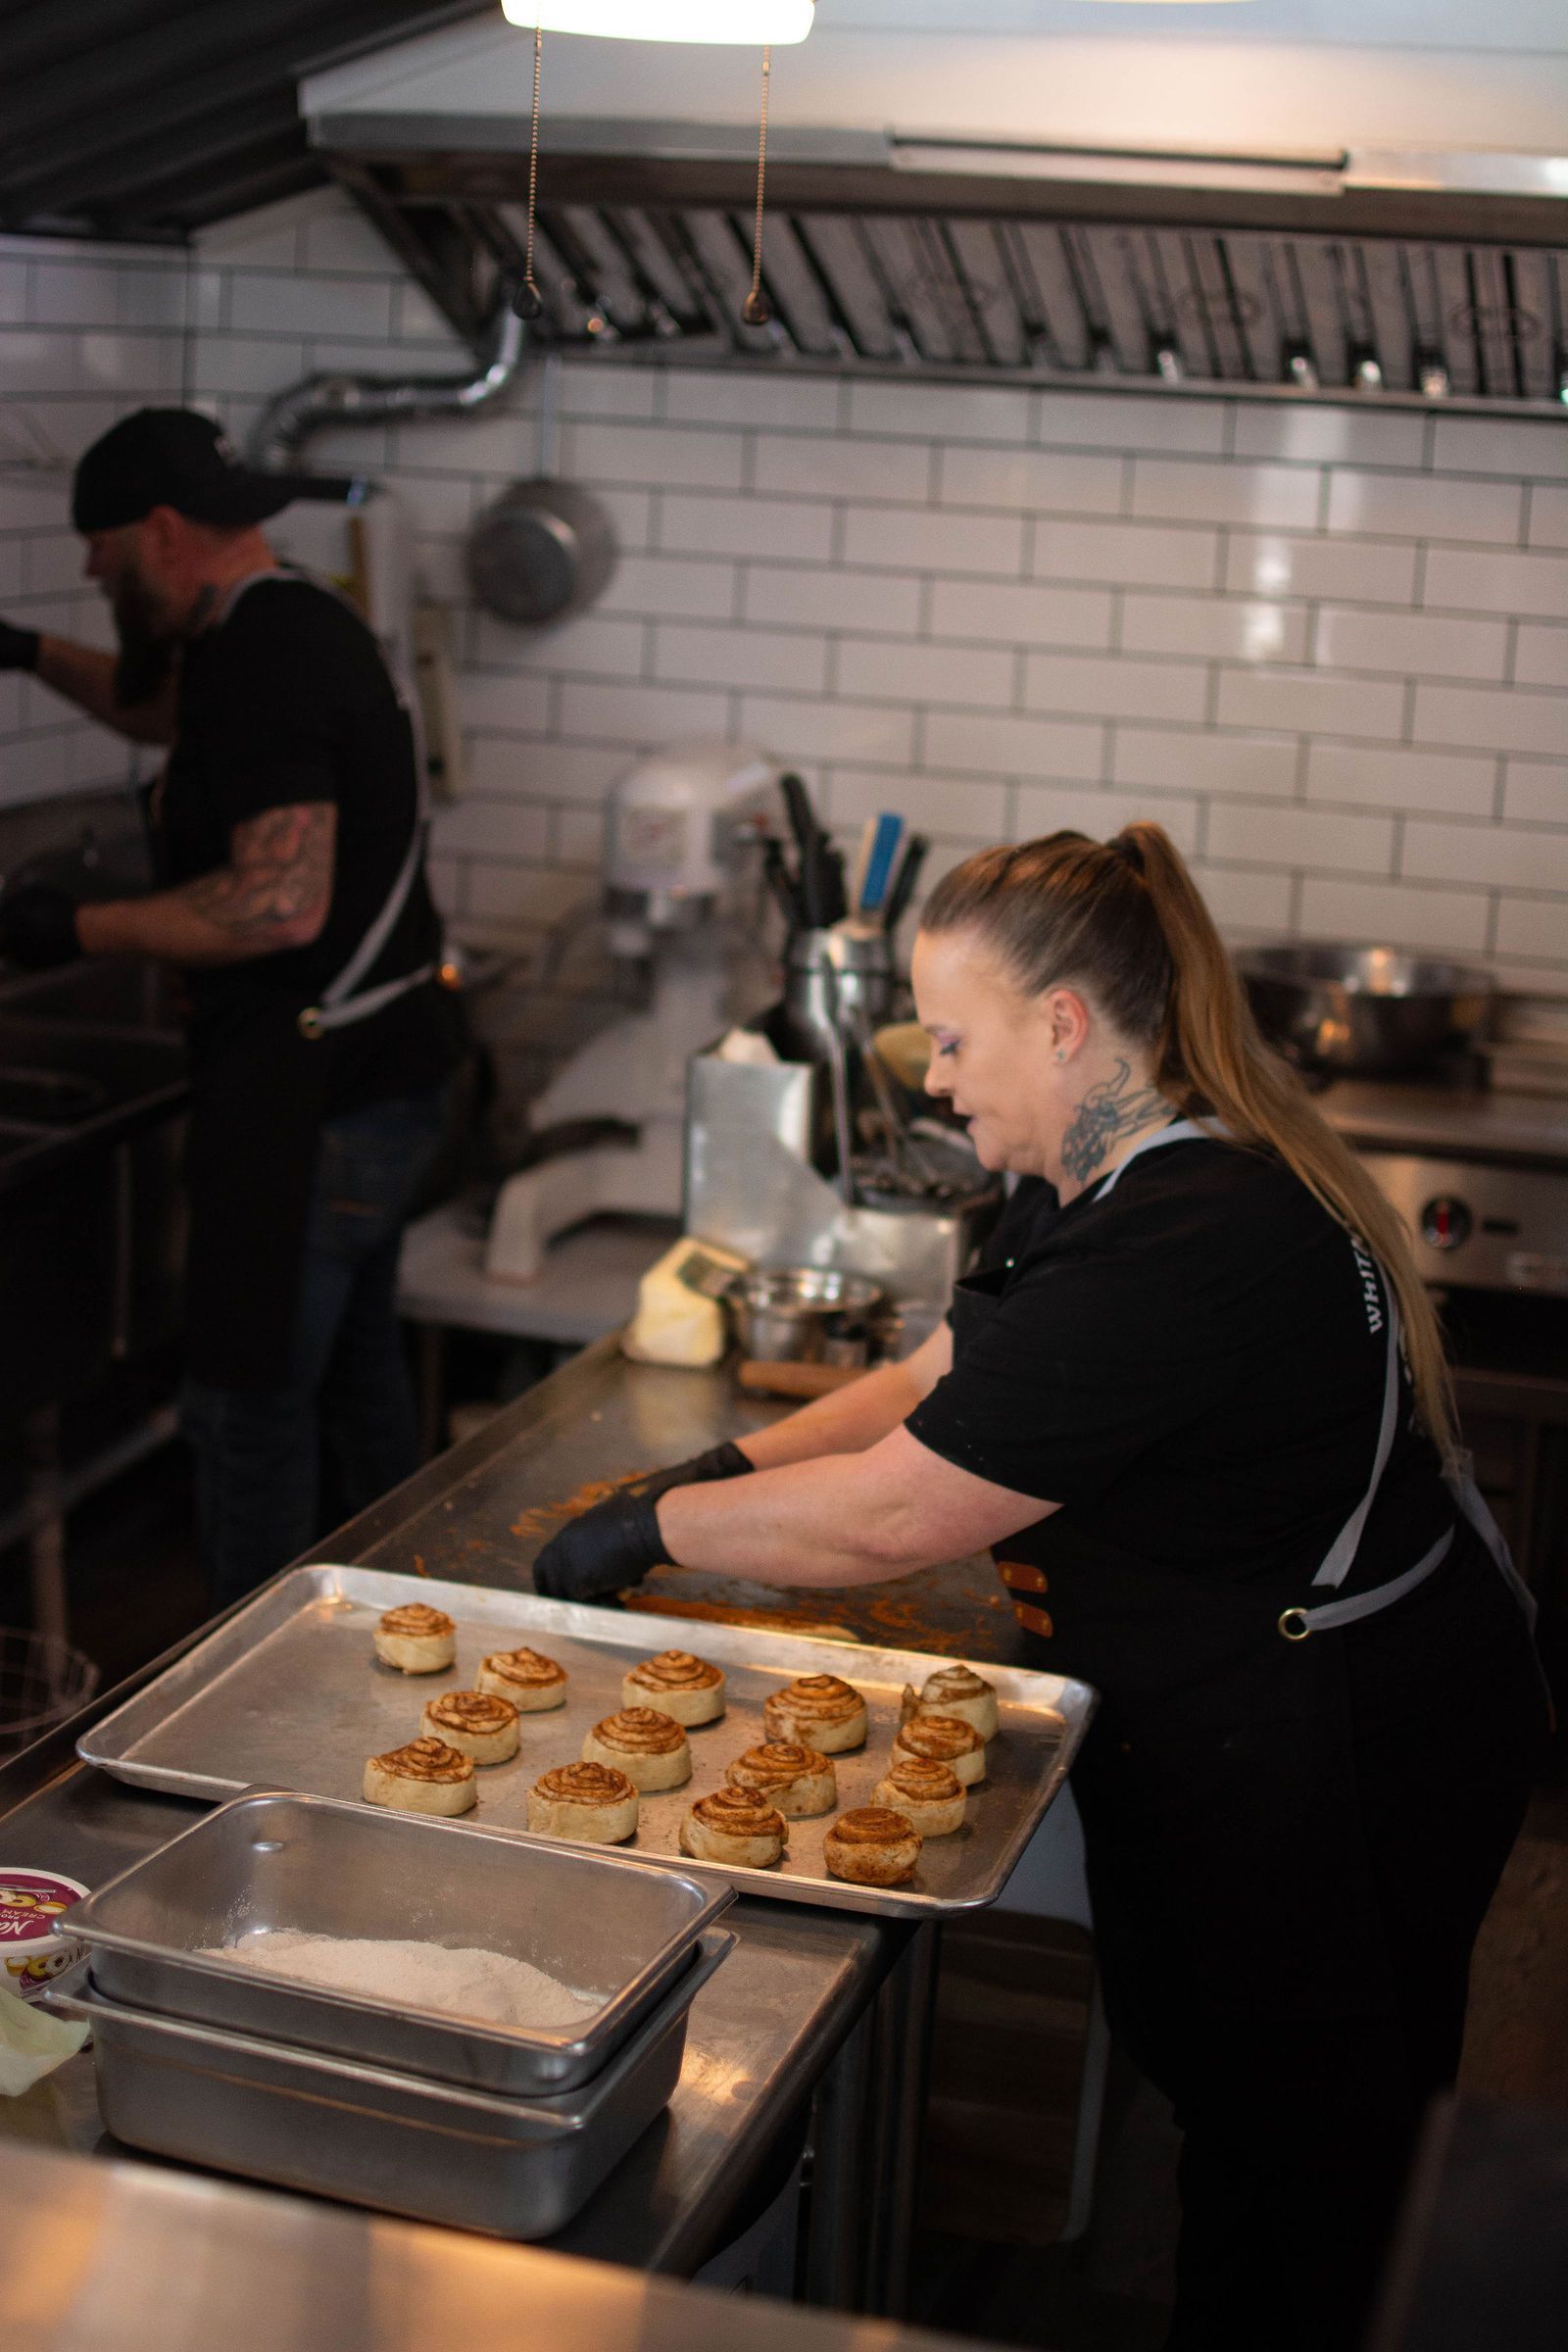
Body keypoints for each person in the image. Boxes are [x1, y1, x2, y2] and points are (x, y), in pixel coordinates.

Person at [528, 823, 1550, 2352]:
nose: (935, 1078)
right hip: (1236, 1715)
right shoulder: (1087, 1173)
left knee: (1309, 2174)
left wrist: (659, 1530)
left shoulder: (1190, 1239)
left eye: (952, 1039)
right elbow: (940, 1379)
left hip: (1339, 1753)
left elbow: (903, 1513)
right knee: (1237, 2111)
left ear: (1062, 1025)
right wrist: (729, 1468)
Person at [0, 408, 466, 1609]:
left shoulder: (266, 656)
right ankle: (419, 1647)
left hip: (316, 1100)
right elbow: (171, 717)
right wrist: (24, 652)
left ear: (160, 533)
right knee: (356, 1385)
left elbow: (275, 907)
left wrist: (71, 927)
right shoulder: (272, 618)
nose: (95, 575)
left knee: (243, 1408)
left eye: (100, 553)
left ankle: (238, 1715)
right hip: (383, 1075)